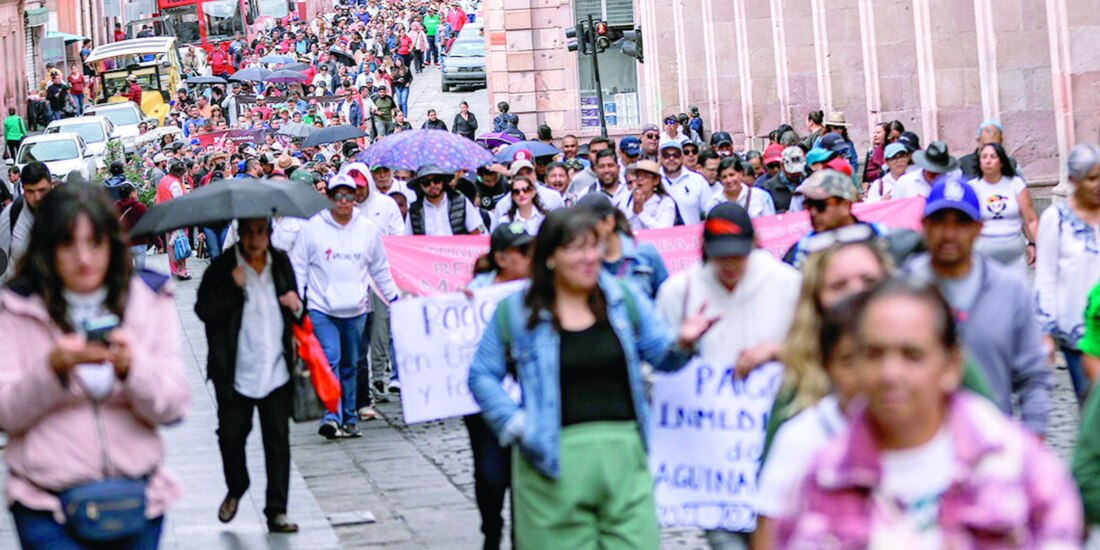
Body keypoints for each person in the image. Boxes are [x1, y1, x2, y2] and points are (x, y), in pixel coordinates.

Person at [468, 209, 714, 550]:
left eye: (594, 247)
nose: (589, 258)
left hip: (624, 459)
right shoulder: (517, 311)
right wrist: (516, 424)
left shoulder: (622, 298)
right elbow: (482, 375)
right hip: (550, 462)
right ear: (551, 256)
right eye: (576, 249)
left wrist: (685, 341)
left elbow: (663, 356)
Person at [778, 278, 1082, 547]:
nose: (890, 373)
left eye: (912, 356)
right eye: (874, 354)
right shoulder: (822, 479)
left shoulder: (1020, 468)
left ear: (950, 366)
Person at [0, 183, 190, 548]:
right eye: (69, 245)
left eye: (95, 243)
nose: (84, 258)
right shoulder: (18, 306)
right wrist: (52, 369)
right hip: (46, 506)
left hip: (136, 501)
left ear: (112, 244)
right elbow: (6, 414)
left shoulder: (148, 298)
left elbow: (173, 405)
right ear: (47, 249)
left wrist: (132, 367)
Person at [655, 202, 801, 549]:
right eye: (721, 256)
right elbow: (656, 369)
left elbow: (818, 350)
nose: (730, 265)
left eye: (738, 255)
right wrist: (682, 344)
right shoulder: (679, 292)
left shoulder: (788, 284)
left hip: (777, 438)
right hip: (715, 463)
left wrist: (776, 350)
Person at [904, 179, 1051, 434]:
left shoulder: (1009, 290)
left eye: (960, 223)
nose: (949, 233)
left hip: (991, 438)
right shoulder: (903, 288)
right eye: (939, 221)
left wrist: (1033, 432)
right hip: (918, 440)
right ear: (924, 226)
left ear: (978, 228)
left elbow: (1032, 372)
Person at [195, 217, 302, 534]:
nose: (255, 238)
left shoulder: (280, 262)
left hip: (277, 369)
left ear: (269, 234)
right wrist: (232, 287)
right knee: (230, 436)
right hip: (235, 371)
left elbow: (296, 305)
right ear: (240, 234)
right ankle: (237, 486)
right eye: (249, 232)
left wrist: (297, 305)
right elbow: (203, 309)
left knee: (278, 442)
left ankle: (277, 510)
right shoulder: (224, 267)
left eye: (261, 232)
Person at [291, 173, 400, 440]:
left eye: (348, 195)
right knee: (330, 359)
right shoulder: (312, 228)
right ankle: (331, 415)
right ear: (329, 197)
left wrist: (394, 298)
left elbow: (380, 268)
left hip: (356, 309)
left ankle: (349, 418)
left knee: (351, 364)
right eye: (338, 195)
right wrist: (298, 299)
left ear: (355, 198)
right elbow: (299, 265)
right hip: (322, 307)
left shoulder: (367, 229)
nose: (343, 201)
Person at [463, 223, 533, 550]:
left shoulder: (540, 290)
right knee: (490, 474)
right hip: (486, 406)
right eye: (522, 251)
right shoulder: (476, 291)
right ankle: (491, 529)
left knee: (526, 475)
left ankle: (523, 537)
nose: (530, 257)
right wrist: (460, 305)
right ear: (502, 258)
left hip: (529, 400)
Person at [1036, 143, 1100, 401]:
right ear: (1074, 180)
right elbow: (1045, 277)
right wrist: (1046, 333)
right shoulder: (1056, 218)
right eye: (1091, 179)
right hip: (1078, 334)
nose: (1097, 185)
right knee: (1092, 411)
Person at [783, 170, 884, 268]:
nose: (813, 212)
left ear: (845, 206)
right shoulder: (801, 250)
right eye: (808, 205)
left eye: (820, 205)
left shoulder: (878, 236)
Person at [576, 193, 668, 299]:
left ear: (609, 222)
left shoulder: (644, 253)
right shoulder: (586, 262)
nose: (586, 234)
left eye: (590, 227)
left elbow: (666, 298)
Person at [968, 142, 1038, 272]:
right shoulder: (972, 187)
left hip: (1014, 250)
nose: (988, 161)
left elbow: (1030, 220)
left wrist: (1034, 244)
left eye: (993, 157)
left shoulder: (1015, 184)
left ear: (1002, 162)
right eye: (984, 157)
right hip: (983, 250)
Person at [0, 162, 53, 282]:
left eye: (42, 190)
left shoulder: (64, 212)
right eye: (31, 191)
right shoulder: (12, 214)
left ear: (51, 185)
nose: (37, 197)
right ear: (23, 189)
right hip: (19, 294)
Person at [406, 164, 485, 236]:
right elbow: (408, 240)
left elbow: (475, 232)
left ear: (443, 181)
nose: (432, 185)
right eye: (426, 182)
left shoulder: (461, 202)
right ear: (420, 185)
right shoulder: (414, 210)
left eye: (436, 180)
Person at [704, 155, 776, 218]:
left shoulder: (758, 196)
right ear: (720, 179)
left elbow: (768, 226)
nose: (729, 180)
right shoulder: (714, 202)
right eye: (724, 177)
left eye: (732, 175)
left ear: (741, 173)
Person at [658, 140, 710, 224]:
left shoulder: (697, 180)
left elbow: (709, 211)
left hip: (691, 235)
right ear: (660, 158)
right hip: (659, 236)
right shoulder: (653, 180)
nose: (671, 158)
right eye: (666, 155)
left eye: (676, 155)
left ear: (682, 157)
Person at [156, 162, 191, 280]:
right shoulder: (175, 184)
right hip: (177, 218)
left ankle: (174, 270)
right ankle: (181, 271)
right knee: (180, 243)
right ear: (180, 173)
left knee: (171, 246)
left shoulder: (164, 180)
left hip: (165, 217)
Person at [623, 159, 677, 230]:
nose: (640, 179)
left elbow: (664, 231)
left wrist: (640, 213)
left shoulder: (666, 202)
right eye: (637, 176)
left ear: (656, 180)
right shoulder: (628, 197)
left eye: (645, 176)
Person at [894, 140, 959, 199]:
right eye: (932, 173)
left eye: (940, 173)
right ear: (926, 167)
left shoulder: (955, 183)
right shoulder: (905, 183)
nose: (936, 177)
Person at [759, 146, 805, 213]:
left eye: (798, 171)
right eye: (792, 171)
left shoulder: (809, 183)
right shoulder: (768, 187)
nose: (795, 174)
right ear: (782, 165)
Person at [114, 183, 149, 270]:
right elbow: (149, 225)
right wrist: (159, 244)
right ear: (131, 194)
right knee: (140, 271)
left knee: (126, 270)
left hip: (124, 243)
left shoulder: (115, 208)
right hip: (140, 242)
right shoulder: (141, 208)